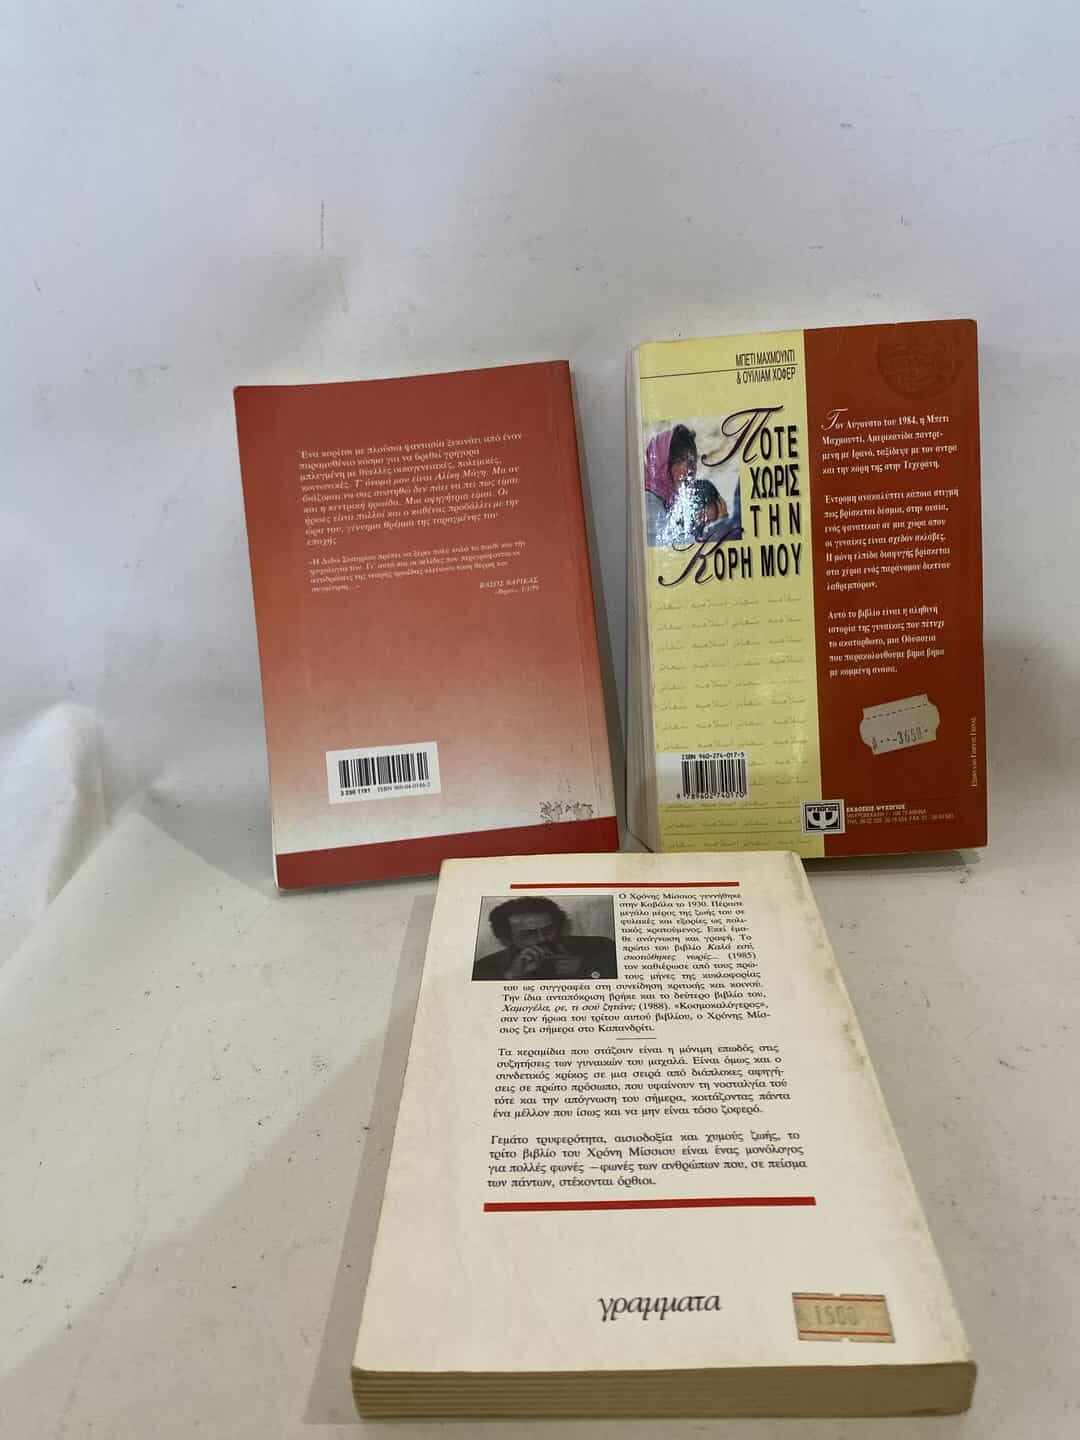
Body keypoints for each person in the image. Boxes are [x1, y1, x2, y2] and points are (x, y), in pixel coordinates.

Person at [472, 897, 618, 981]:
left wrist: (587, 969)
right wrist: (512, 977)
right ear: (506, 939)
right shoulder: (483, 969)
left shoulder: (602, 947)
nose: (542, 939)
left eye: (548, 930)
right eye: (528, 934)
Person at [644, 424, 698, 545]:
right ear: (661, 463)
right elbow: (670, 547)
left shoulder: (669, 501)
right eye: (678, 461)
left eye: (691, 463)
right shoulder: (648, 502)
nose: (686, 470)